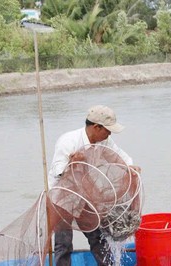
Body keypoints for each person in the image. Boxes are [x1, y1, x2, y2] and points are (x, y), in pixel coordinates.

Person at [48, 105, 141, 266]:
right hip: (63, 198)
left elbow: (119, 155)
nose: (109, 133)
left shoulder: (104, 140)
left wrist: (130, 167)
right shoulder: (68, 141)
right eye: (107, 130)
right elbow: (58, 171)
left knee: (98, 237)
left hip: (86, 197)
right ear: (96, 127)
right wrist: (72, 162)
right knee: (63, 244)